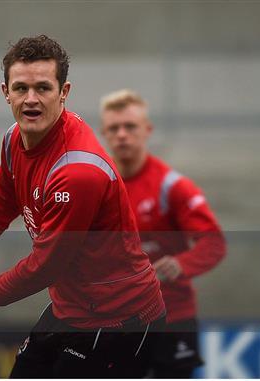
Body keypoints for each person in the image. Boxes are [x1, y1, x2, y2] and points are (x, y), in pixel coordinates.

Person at [0, 35, 165, 378]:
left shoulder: (78, 171)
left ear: (64, 92)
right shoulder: (14, 139)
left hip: (120, 321)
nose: (31, 100)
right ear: (6, 92)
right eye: (20, 88)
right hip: (70, 309)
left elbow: (46, 265)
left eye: (43, 88)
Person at [99, 89, 227, 378]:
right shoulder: (97, 187)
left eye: (130, 126)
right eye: (113, 128)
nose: (122, 135)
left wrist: (182, 264)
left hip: (173, 318)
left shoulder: (172, 186)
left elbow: (213, 242)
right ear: (104, 134)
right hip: (117, 322)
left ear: (147, 130)